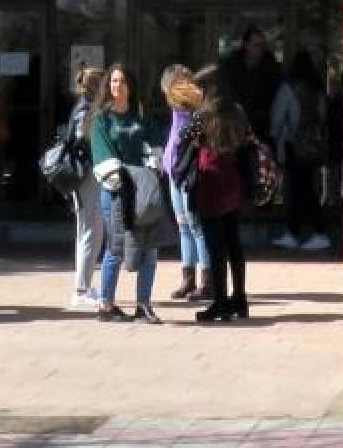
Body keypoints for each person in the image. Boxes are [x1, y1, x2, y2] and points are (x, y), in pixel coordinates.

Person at [88, 64, 169, 324]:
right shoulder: (101, 119)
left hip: (144, 191)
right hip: (116, 192)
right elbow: (102, 156)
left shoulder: (140, 117)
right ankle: (106, 304)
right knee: (116, 248)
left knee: (150, 249)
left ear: (130, 86)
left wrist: (151, 168)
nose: (117, 86)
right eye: (113, 82)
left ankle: (143, 305)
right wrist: (121, 179)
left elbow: (155, 148)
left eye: (122, 81)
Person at [185, 70, 252, 323]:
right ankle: (240, 298)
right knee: (234, 242)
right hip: (233, 180)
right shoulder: (236, 110)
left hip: (210, 183)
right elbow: (247, 139)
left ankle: (221, 302)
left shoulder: (203, 115)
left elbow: (184, 139)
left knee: (215, 246)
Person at [270, 50, 331, 251]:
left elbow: (278, 118)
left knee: (298, 190)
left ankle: (309, 232)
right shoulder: (317, 88)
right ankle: (301, 231)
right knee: (306, 189)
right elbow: (323, 117)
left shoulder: (288, 88)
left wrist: (273, 137)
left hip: (293, 145)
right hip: (313, 145)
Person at [161, 64, 211, 302]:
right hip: (173, 170)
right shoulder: (176, 107)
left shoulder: (195, 106)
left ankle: (206, 279)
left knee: (196, 225)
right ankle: (187, 277)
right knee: (183, 225)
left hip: (187, 170)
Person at [65, 66, 105, 310]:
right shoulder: (85, 109)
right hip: (87, 176)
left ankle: (85, 286)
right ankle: (81, 289)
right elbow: (85, 141)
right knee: (90, 230)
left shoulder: (86, 106)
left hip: (87, 175)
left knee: (91, 230)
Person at [218, 26, 282, 146]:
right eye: (256, 45)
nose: (260, 49)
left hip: (260, 128)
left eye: (262, 45)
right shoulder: (231, 66)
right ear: (246, 45)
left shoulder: (270, 68)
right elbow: (225, 93)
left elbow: (273, 98)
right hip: (233, 127)